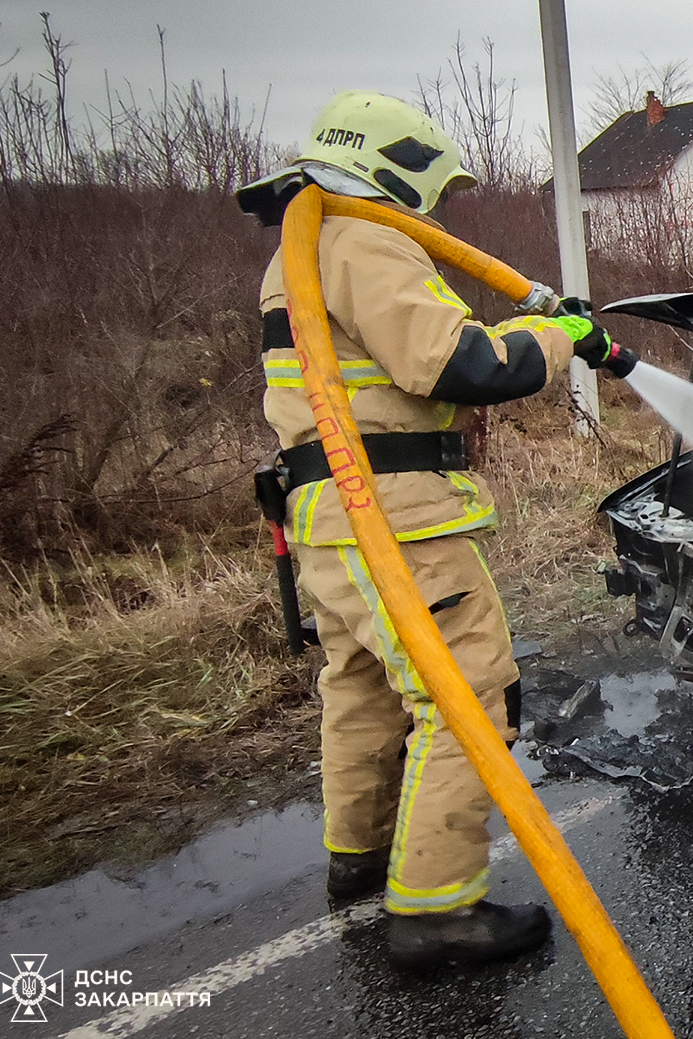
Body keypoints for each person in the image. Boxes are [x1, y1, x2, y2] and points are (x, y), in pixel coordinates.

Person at [248, 91, 634, 968]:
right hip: (396, 516)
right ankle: (435, 910)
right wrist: (556, 337)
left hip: (326, 518)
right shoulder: (365, 238)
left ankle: (362, 857)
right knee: (468, 695)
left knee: (360, 688)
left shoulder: (298, 248)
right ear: (392, 166)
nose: (438, 209)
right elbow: (456, 362)